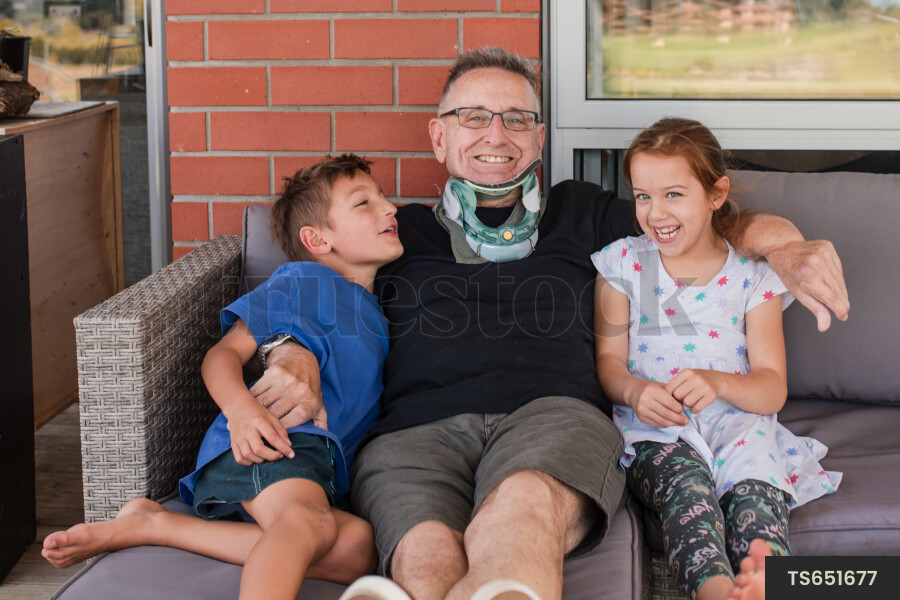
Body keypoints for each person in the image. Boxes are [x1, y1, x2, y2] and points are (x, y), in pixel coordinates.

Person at [256, 48, 849, 600]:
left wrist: (784, 247)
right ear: (438, 136)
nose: (496, 134)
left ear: (539, 138)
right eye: (473, 117)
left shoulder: (584, 211)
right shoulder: (392, 231)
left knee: (523, 508)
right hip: (415, 432)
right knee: (424, 551)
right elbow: (309, 294)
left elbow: (705, 227)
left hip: (554, 418)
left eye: (516, 119)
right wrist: (290, 353)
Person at [42, 154, 404, 600]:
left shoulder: (376, 313)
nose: (389, 207)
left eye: (383, 197)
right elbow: (223, 354)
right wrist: (241, 410)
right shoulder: (302, 280)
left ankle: (156, 526)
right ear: (316, 239)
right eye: (364, 202)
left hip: (318, 467)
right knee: (308, 522)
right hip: (271, 440)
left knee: (358, 548)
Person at [592, 118, 842, 600]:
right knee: (687, 498)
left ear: (715, 194)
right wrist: (636, 392)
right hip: (658, 431)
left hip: (740, 427)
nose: (655, 213)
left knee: (758, 504)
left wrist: (719, 383)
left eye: (673, 194)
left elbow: (772, 387)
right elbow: (609, 364)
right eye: (642, 196)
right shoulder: (622, 264)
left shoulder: (753, 275)